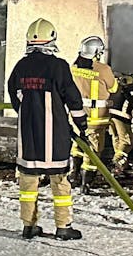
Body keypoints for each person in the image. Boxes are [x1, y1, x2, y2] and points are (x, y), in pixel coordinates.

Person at [8, 18, 86, 240]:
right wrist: (81, 125)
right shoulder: (58, 66)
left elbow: (14, 95)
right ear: (52, 39)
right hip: (55, 135)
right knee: (60, 181)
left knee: (28, 181)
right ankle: (63, 227)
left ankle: (28, 225)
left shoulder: (20, 66)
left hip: (28, 136)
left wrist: (27, 112)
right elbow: (73, 99)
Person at [68, 35, 119, 185]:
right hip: (97, 118)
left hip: (78, 115)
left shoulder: (75, 67)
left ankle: (73, 174)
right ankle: (86, 183)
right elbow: (113, 88)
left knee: (77, 144)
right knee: (94, 149)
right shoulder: (103, 69)